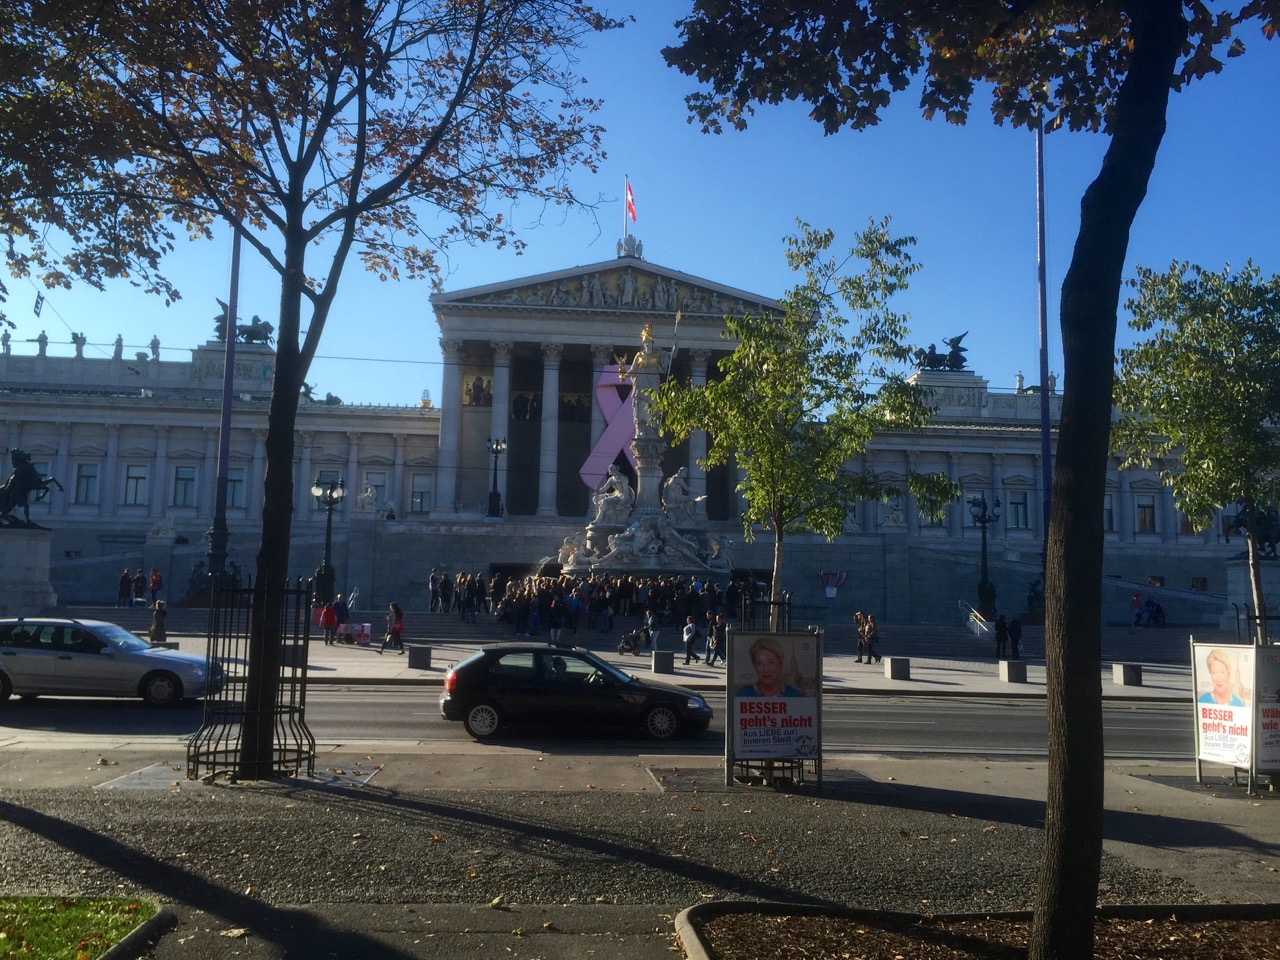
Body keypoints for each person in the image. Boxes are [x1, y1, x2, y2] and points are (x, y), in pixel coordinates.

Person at [736, 636, 803, 697]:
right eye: (759, 663)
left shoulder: (795, 695)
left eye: (771, 662)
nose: (765, 670)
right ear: (754, 666)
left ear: (780, 665)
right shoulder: (742, 695)